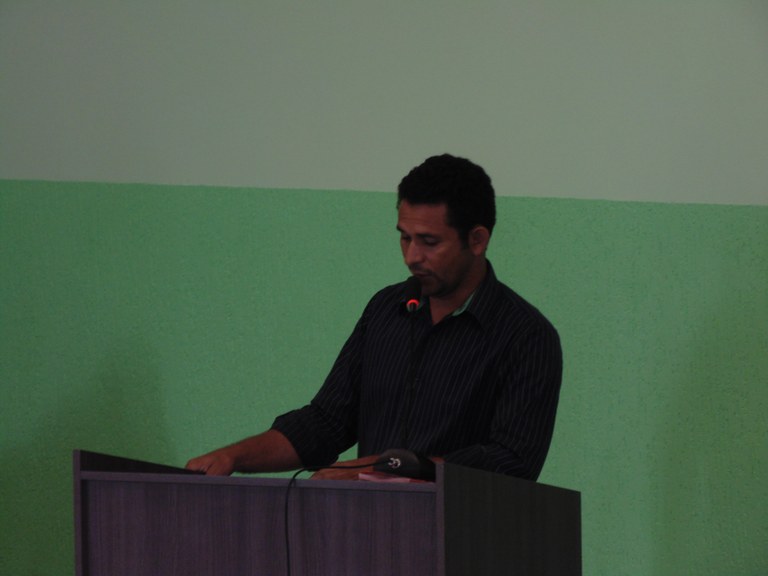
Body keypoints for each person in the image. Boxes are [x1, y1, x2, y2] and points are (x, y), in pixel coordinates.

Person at [186, 154, 562, 481]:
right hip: (367, 527)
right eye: (404, 238)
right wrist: (233, 457)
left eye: (429, 242)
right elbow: (326, 423)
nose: (412, 257)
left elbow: (511, 462)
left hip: (463, 534)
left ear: (477, 240)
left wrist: (388, 467)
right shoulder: (386, 309)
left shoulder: (525, 335)